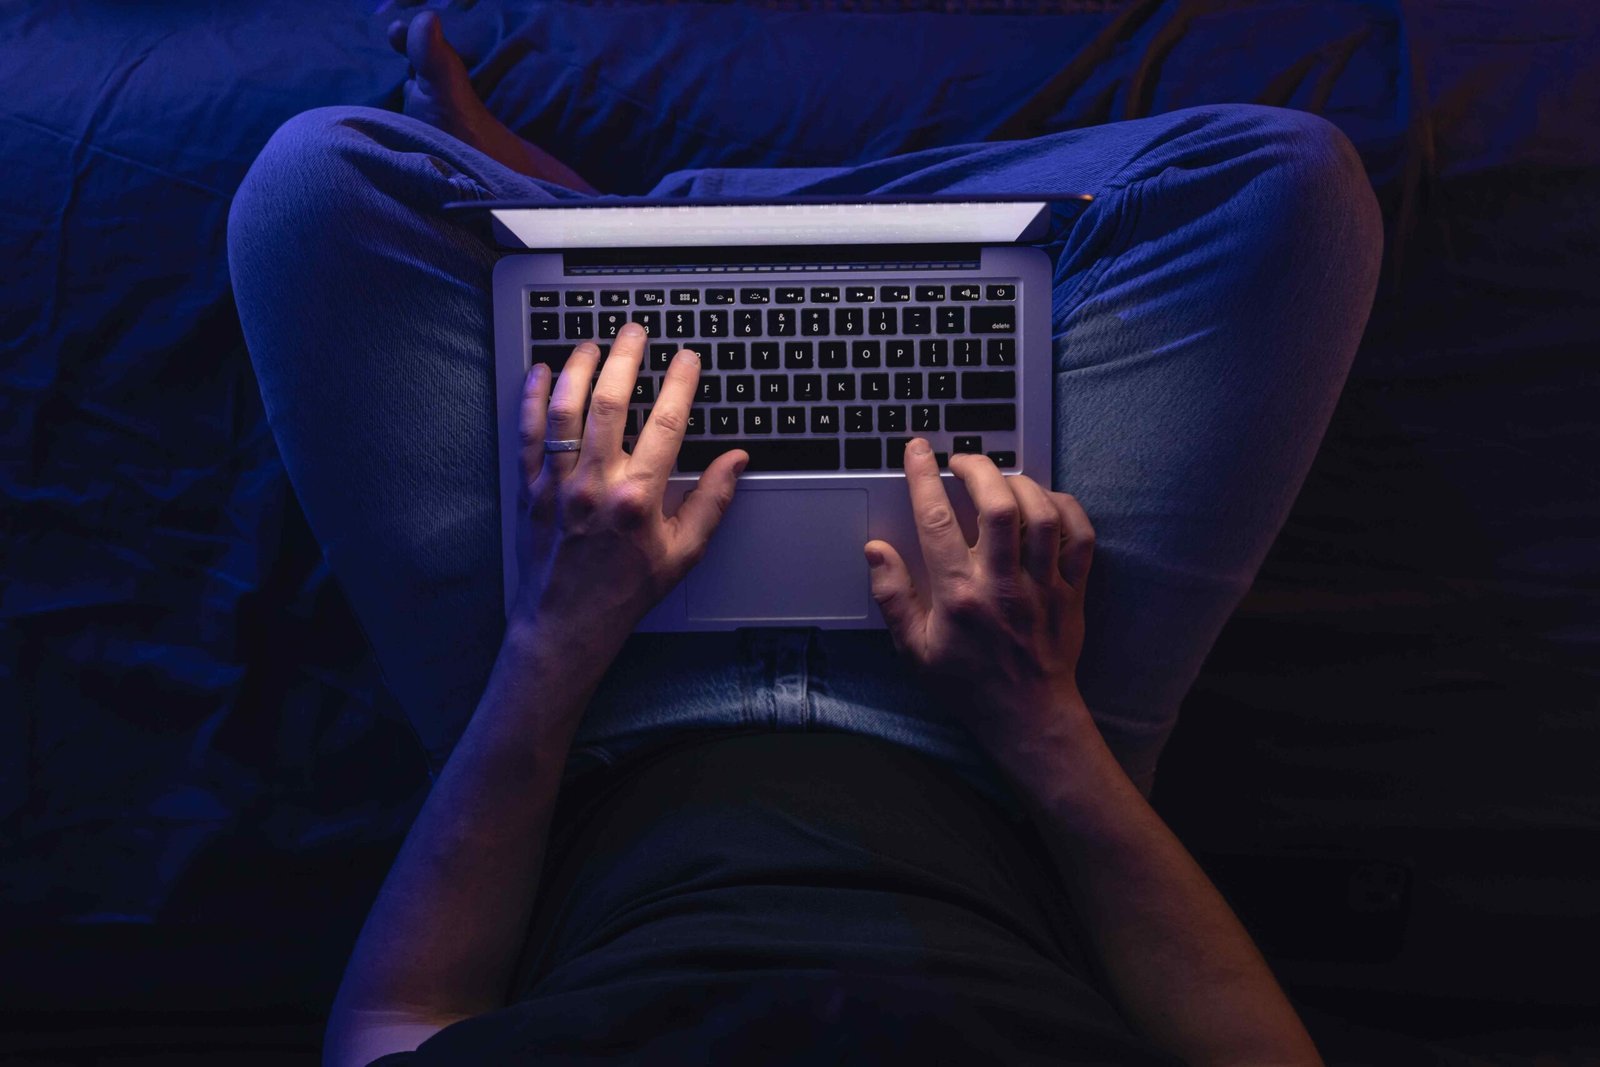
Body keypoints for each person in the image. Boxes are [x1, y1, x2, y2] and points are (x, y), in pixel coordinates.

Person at [228, 9, 1382, 1065]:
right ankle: (637, 235)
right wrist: (1041, 717)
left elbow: (390, 1023)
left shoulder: (563, 666)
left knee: (316, 185)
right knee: (1282, 184)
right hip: (997, 740)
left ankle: (621, 237)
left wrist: (551, 637)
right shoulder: (1024, 720)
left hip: (580, 725)